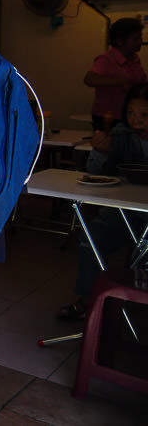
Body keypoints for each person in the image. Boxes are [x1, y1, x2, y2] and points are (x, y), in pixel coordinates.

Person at [58, 83, 148, 321]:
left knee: (142, 253)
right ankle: (90, 301)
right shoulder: (120, 133)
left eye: (144, 115)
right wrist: (100, 151)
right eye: (130, 113)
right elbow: (94, 173)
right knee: (92, 236)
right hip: (122, 210)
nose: (136, 120)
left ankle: (132, 304)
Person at [84, 17, 146, 131]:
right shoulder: (107, 59)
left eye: (140, 38)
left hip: (131, 116)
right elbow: (89, 79)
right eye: (135, 39)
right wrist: (121, 81)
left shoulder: (135, 59)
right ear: (120, 41)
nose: (140, 42)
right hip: (109, 118)